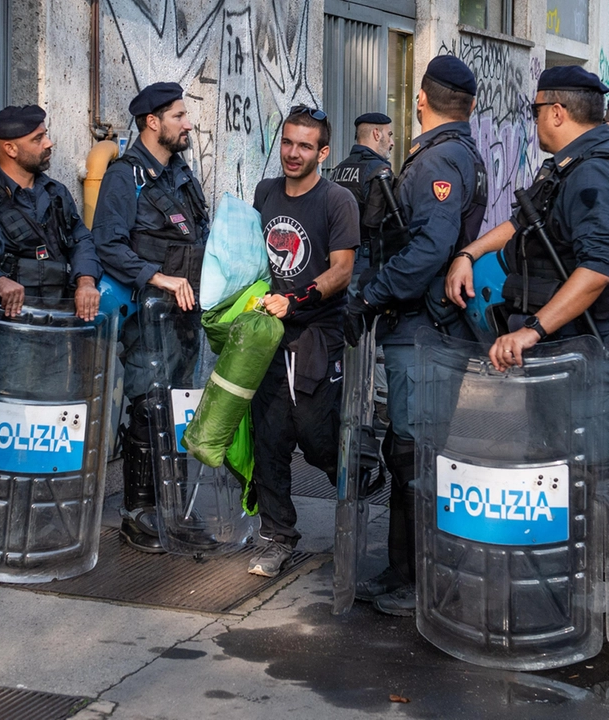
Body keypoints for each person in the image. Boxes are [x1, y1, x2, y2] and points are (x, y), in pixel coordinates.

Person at [343, 55, 488, 615]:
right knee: (409, 448)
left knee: (415, 456)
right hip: (425, 328)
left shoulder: (439, 161)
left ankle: (419, 581)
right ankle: (405, 570)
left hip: (424, 329)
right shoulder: (456, 152)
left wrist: (371, 294)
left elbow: (429, 248)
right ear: (470, 105)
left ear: (420, 99)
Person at [91, 81, 210, 553]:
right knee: (147, 406)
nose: (188, 123)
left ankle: (173, 505)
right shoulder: (126, 176)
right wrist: (157, 278)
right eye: (179, 116)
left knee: (178, 410)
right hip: (149, 315)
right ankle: (138, 511)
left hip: (186, 318)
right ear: (152, 123)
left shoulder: (181, 174)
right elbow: (108, 244)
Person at [247, 106, 359, 577]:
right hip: (267, 334)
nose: (293, 153)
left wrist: (296, 299)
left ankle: (353, 488)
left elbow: (342, 270)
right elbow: (250, 257)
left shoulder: (337, 202)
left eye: (305, 146)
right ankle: (278, 537)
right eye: (288, 142)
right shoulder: (265, 192)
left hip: (317, 334)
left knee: (316, 437)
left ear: (323, 152)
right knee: (269, 435)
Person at [447, 66, 609, 363]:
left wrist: (531, 331)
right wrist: (468, 254)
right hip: (566, 343)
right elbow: (524, 223)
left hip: (584, 353)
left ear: (557, 113)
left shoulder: (591, 174)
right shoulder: (568, 167)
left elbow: (597, 270)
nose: (535, 121)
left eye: (537, 111)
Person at [0, 105, 101, 321]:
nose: (49, 143)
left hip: (61, 322)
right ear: (11, 149)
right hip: (7, 329)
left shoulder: (56, 192)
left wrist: (86, 281)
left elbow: (81, 239)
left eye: (46, 134)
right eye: (37, 138)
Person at [330, 112, 395, 280]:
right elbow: (384, 225)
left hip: (335, 259)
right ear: (376, 134)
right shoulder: (379, 171)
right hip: (366, 264)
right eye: (389, 135)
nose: (392, 142)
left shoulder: (338, 169)